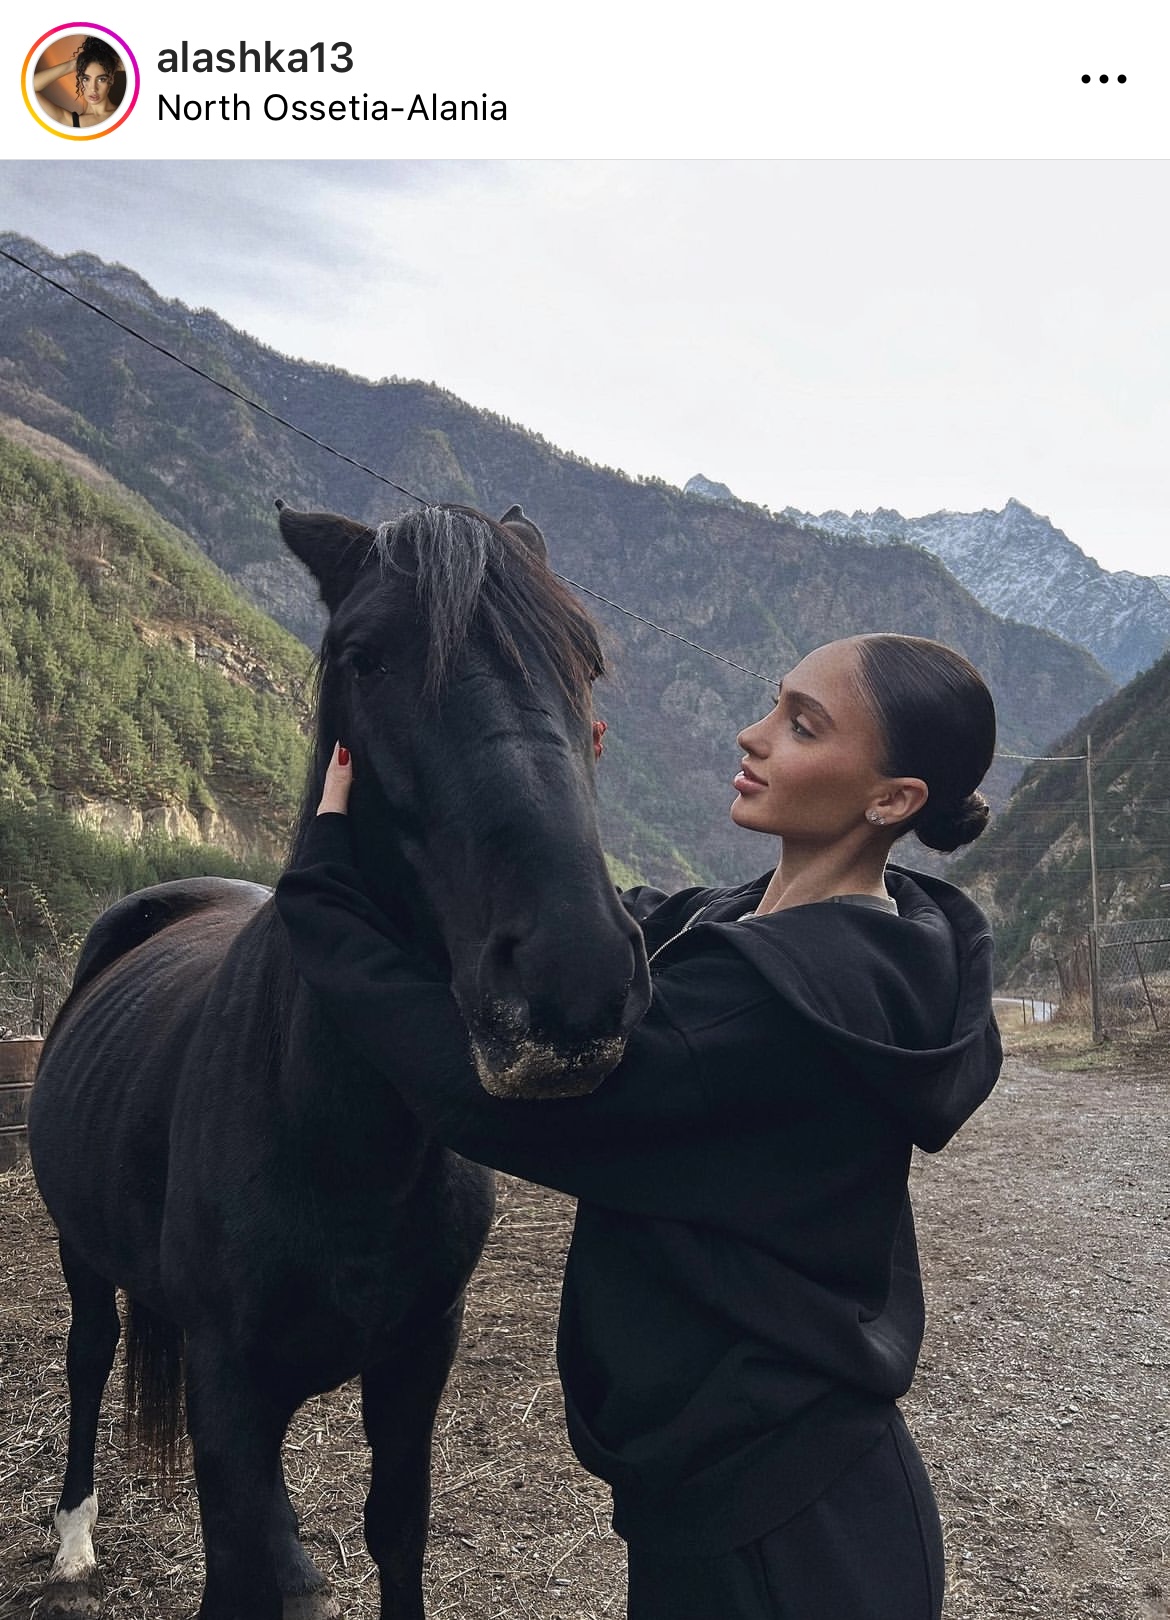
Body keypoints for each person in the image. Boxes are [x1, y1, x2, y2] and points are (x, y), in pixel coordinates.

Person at [273, 631, 1002, 1620]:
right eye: (774, 702)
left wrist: (318, 882)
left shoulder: (765, 1008)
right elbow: (609, 932)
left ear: (892, 799)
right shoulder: (795, 927)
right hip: (763, 1494)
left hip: (780, 1547)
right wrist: (547, 784)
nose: (752, 735)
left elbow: (477, 1088)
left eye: (802, 725)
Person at [32, 36, 123, 130]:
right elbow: (28, 88)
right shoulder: (71, 122)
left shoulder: (126, 113)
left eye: (101, 79)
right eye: (86, 79)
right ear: (79, 79)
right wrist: (73, 64)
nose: (93, 88)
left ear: (111, 79)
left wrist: (112, 63)